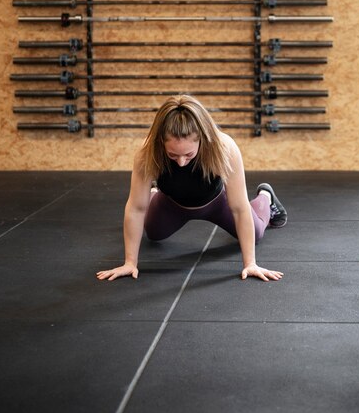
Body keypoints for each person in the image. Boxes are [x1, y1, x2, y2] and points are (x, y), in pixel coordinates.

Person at [97, 94, 286, 283]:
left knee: (256, 234)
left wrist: (250, 263)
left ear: (202, 139)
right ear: (161, 142)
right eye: (172, 155)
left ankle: (265, 196)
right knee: (153, 234)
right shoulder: (147, 152)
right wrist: (130, 262)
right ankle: (154, 193)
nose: (180, 162)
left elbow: (239, 207)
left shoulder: (224, 147)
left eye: (188, 154)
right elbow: (137, 208)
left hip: (217, 204)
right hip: (171, 203)